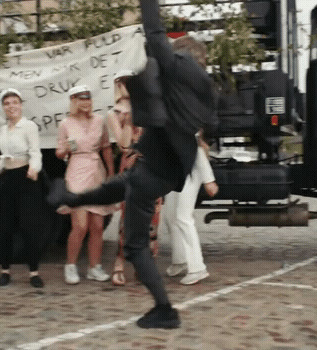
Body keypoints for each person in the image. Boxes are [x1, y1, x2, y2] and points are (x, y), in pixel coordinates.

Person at [48, 0, 218, 329]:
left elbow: (154, 32)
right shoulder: (199, 94)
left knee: (135, 242)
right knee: (117, 185)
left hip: (153, 173)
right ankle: (71, 198)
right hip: (161, 171)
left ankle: (165, 310)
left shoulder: (176, 77)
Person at [105, 70, 162, 286]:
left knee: (153, 219)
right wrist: (129, 120)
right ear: (117, 85)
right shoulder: (114, 114)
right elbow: (124, 145)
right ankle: (119, 263)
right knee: (128, 219)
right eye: (124, 82)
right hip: (131, 170)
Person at [0, 88, 46, 288]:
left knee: (29, 226)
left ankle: (34, 273)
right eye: (7, 103)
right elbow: (4, 156)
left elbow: (35, 152)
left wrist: (34, 169)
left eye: (14, 102)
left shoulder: (28, 126)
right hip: (8, 179)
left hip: (26, 177)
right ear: (3, 107)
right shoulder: (3, 129)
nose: (11, 106)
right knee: (6, 227)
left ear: (21, 105)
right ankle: (5, 271)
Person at [56, 85, 115, 285]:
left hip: (96, 172)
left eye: (88, 99)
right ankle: (70, 266)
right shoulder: (65, 123)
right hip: (76, 171)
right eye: (81, 99)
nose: (85, 102)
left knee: (97, 225)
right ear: (73, 101)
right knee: (80, 225)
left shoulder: (99, 121)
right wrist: (64, 149)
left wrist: (111, 174)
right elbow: (59, 152)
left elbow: (106, 147)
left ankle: (94, 267)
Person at [162, 137, 218, 285]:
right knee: (170, 217)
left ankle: (197, 268)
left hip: (191, 170)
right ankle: (180, 260)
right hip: (175, 171)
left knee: (183, 218)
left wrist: (208, 179)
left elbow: (197, 146)